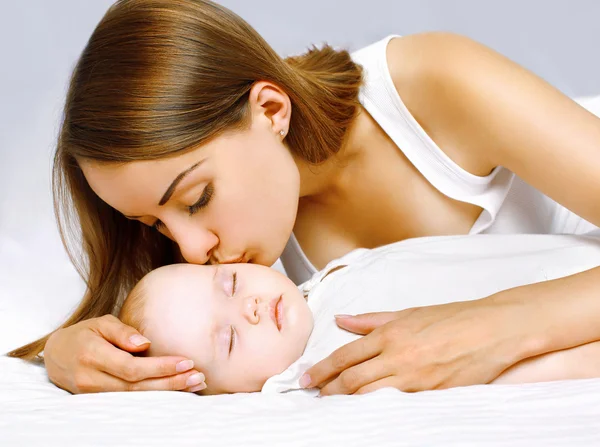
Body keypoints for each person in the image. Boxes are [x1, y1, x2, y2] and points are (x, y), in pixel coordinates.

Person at [8, 0, 600, 395]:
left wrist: (499, 325)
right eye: (153, 225)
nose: (191, 250)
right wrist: (63, 354)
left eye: (196, 199)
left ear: (271, 110)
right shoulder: (241, 280)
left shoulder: (434, 86)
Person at [119, 235, 600, 395]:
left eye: (230, 283)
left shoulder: (326, 278)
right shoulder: (339, 367)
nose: (248, 308)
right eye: (227, 341)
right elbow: (508, 368)